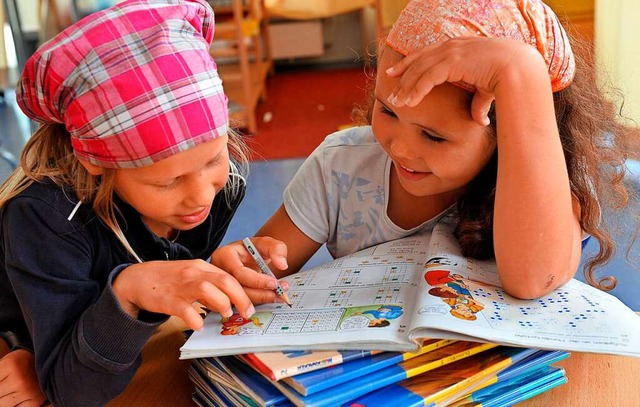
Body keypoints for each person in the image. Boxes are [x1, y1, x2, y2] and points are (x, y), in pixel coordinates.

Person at [215, 0, 634, 302]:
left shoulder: (543, 182)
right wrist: (243, 265)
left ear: (509, 136)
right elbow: (261, 266)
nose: (399, 147)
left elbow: (533, 279)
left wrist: (518, 73)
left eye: (434, 136)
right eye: (387, 110)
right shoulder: (338, 166)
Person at [0, 0, 286, 405]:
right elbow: (70, 389)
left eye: (213, 160)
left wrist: (204, 270)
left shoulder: (227, 185)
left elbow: (163, 286)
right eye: (168, 182)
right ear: (94, 161)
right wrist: (129, 292)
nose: (202, 195)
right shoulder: (43, 217)